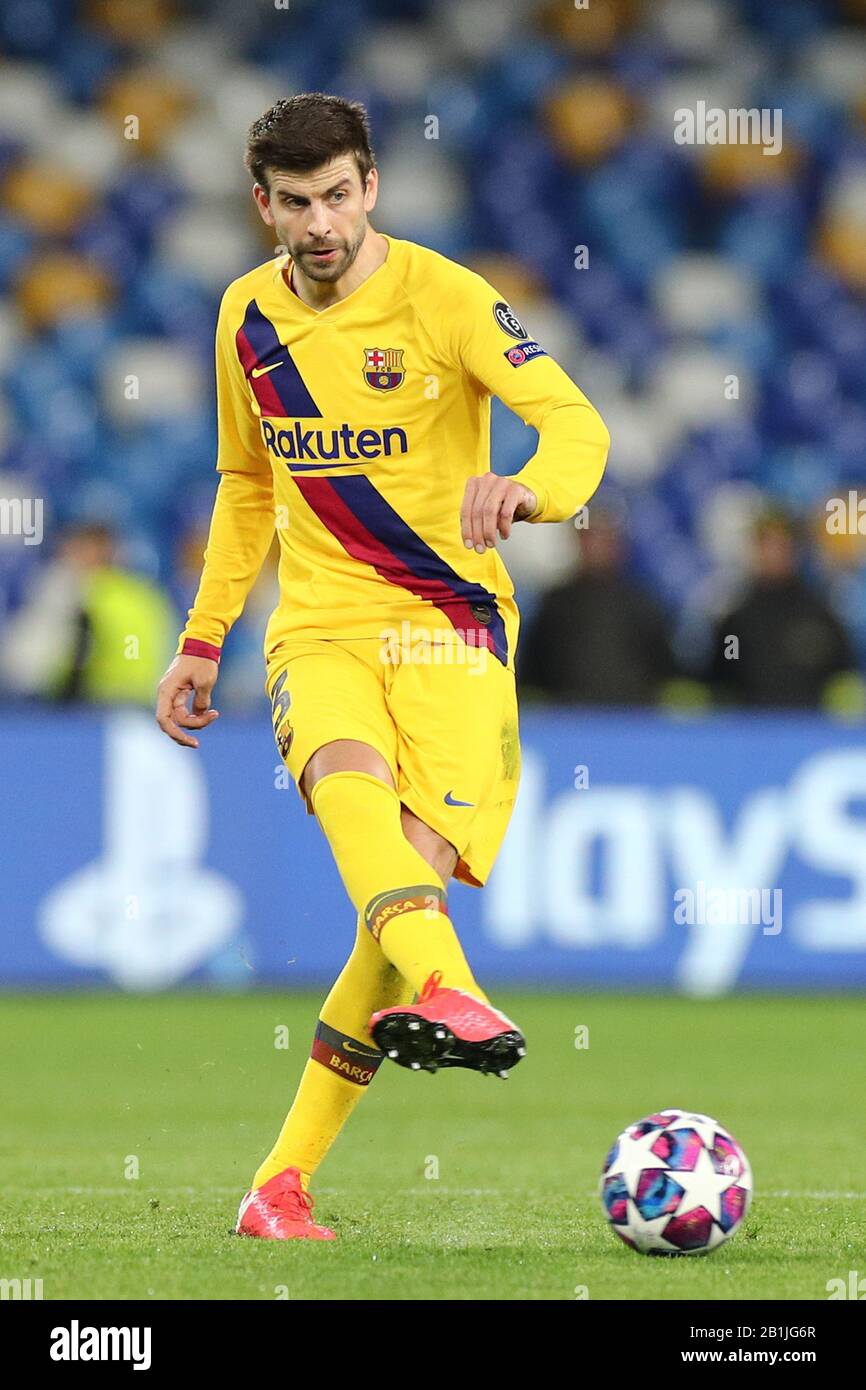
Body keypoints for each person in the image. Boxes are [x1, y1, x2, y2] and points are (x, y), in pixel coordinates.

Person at [155, 94, 609, 1240]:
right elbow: (247, 483)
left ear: (371, 188)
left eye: (341, 193)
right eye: (297, 201)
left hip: (452, 625)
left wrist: (530, 489)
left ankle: (279, 1185)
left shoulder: (447, 297)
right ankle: (451, 988)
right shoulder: (244, 318)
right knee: (344, 782)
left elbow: (578, 428)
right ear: (262, 204)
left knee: (388, 912)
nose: (322, 222)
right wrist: (203, 636)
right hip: (320, 626)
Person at [519, 506, 675, 705]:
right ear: (577, 541)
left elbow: (665, 671)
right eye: (589, 537)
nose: (596, 547)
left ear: (618, 545)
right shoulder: (554, 603)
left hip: (634, 718)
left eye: (604, 538)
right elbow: (533, 673)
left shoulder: (643, 602)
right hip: (566, 720)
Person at [709, 510, 856, 708]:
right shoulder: (736, 624)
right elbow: (723, 675)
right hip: (748, 730)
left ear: (794, 550)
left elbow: (842, 674)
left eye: (779, 545)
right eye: (765, 546)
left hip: (810, 730)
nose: (772, 554)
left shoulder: (820, 618)